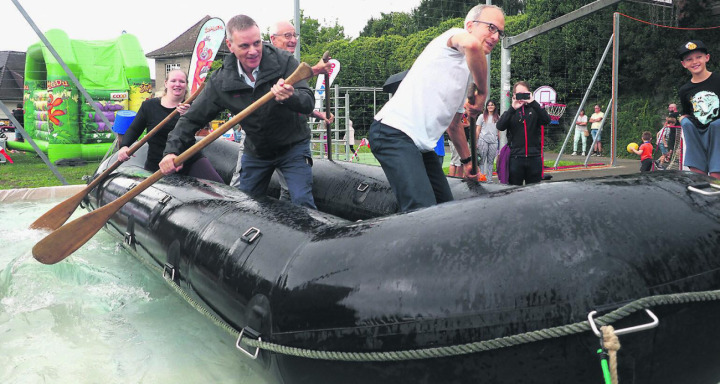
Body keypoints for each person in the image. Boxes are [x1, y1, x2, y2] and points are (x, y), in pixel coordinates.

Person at [159, 15, 317, 208]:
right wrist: (171, 151)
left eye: (257, 43)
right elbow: (191, 119)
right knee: (243, 206)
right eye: (244, 46)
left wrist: (291, 96)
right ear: (230, 45)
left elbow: (308, 102)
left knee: (302, 201)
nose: (253, 51)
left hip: (293, 146)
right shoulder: (221, 81)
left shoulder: (284, 62)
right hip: (257, 151)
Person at [368, 4, 504, 211]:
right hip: (392, 132)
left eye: (500, 32)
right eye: (491, 28)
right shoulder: (454, 37)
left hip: (422, 146)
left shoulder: (467, 74)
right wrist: (483, 93)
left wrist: (468, 162)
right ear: (470, 25)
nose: (495, 37)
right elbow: (473, 47)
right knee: (423, 211)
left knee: (445, 209)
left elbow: (454, 126)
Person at [117, 69, 224, 182]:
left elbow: (204, 125)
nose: (177, 84)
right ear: (166, 83)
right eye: (173, 80)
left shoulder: (192, 107)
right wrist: (124, 146)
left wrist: (189, 115)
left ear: (186, 85)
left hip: (189, 159)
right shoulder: (149, 106)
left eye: (182, 81)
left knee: (219, 187)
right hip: (158, 163)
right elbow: (134, 129)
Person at [677, 40, 719, 179]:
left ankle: (716, 176)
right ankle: (698, 169)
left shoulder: (718, 80)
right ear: (684, 64)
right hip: (700, 134)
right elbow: (688, 113)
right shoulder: (685, 90)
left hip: (718, 134)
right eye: (689, 59)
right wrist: (682, 118)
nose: (695, 62)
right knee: (686, 123)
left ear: (707, 57)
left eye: (698, 57)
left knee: (716, 125)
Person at [496, 81, 551, 186]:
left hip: (534, 157)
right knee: (514, 192)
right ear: (514, 95)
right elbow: (500, 126)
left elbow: (547, 120)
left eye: (524, 93)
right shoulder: (511, 112)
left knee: (534, 191)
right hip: (516, 158)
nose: (522, 96)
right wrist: (512, 108)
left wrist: (533, 102)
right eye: (519, 93)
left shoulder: (535, 109)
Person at [477, 99, 499, 182]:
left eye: (492, 105)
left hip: (493, 141)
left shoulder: (497, 117)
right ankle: (481, 177)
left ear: (495, 106)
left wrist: (499, 143)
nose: (490, 106)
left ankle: (489, 179)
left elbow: (499, 131)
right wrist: (476, 142)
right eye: (489, 105)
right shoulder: (481, 116)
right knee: (482, 160)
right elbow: (477, 129)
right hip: (483, 140)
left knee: (490, 161)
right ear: (486, 107)